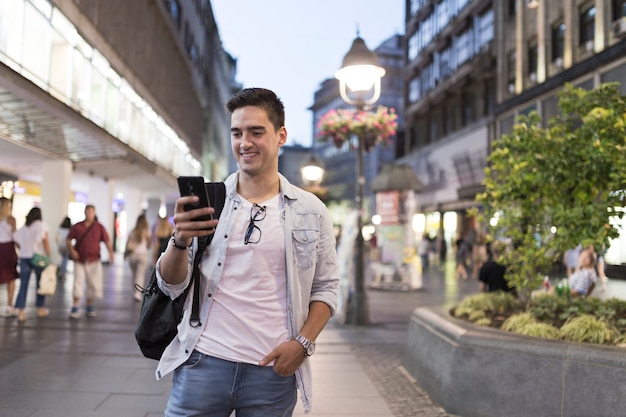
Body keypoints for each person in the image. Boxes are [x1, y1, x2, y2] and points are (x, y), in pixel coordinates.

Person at [155, 88, 339, 416]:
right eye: (237, 133)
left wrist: (303, 344)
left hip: (273, 372)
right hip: (203, 363)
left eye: (257, 132)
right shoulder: (210, 202)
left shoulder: (311, 210)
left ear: (281, 135)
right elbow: (171, 285)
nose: (245, 142)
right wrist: (180, 239)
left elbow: (326, 288)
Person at [66, 204, 114, 319]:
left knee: (92, 283)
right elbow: (68, 239)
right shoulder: (78, 226)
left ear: (94, 213)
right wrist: (72, 251)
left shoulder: (99, 227)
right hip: (80, 259)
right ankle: (75, 305)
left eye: (91, 212)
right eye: (88, 212)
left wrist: (111, 253)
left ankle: (90, 305)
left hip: (94, 259)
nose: (89, 214)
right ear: (85, 213)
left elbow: (107, 240)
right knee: (78, 281)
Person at [12, 207, 51, 322]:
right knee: (41, 283)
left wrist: (22, 249)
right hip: (38, 258)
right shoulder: (41, 225)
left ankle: (21, 311)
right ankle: (40, 308)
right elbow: (46, 242)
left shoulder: (24, 228)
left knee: (23, 285)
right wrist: (49, 257)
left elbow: (16, 240)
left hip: (24, 257)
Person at [125, 214, 152, 301]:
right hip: (142, 255)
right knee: (140, 275)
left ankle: (134, 291)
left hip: (133, 255)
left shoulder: (132, 232)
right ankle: (138, 293)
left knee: (134, 274)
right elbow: (148, 245)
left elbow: (127, 244)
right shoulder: (147, 232)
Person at [0, 197, 18, 317]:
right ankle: (9, 305)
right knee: (10, 278)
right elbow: (15, 235)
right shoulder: (11, 219)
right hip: (8, 249)